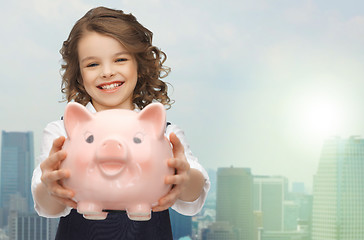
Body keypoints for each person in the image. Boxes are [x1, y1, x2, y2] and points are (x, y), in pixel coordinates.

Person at [31, 6, 210, 240]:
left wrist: (184, 177)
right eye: (92, 64)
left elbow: (193, 195)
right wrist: (49, 184)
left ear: (139, 64)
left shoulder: (165, 134)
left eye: (120, 59)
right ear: (79, 74)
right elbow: (48, 207)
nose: (107, 72)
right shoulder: (61, 133)